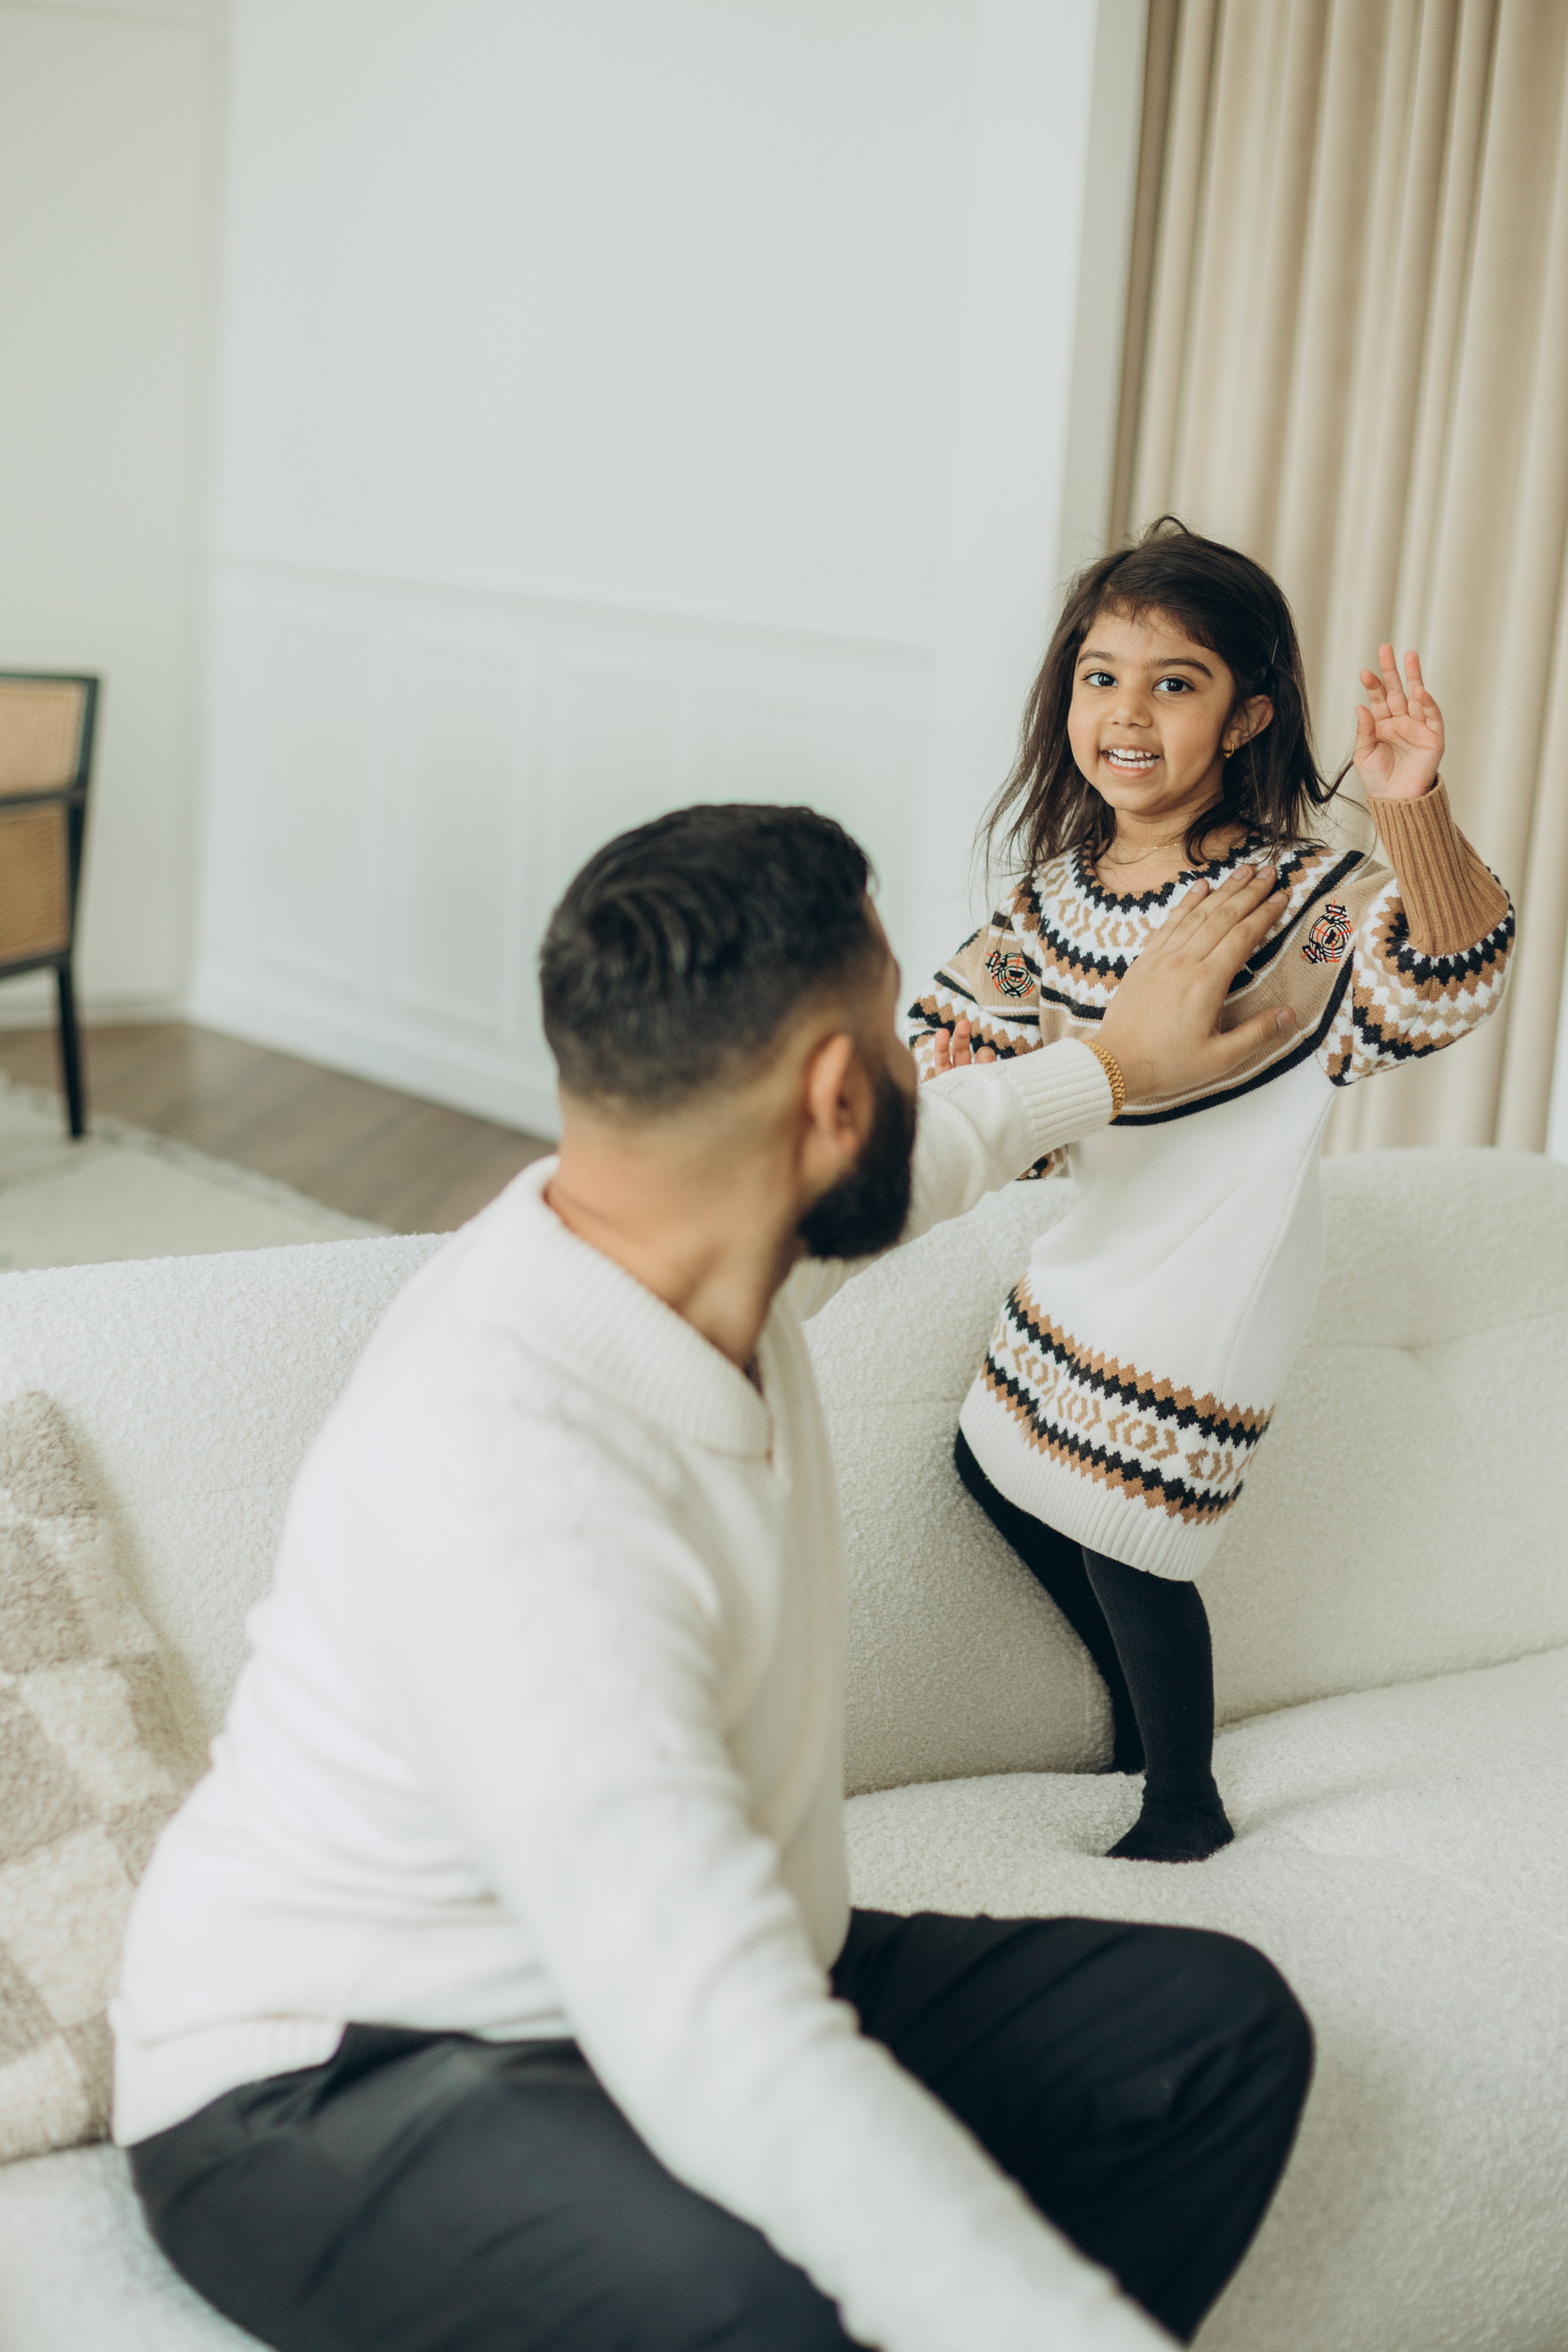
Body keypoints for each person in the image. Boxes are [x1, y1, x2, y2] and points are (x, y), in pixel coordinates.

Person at [113, 802, 1314, 2352]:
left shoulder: (687, 1240)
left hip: (627, 1980)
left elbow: (933, 1154)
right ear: (831, 1097)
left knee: (1206, 2038)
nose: (920, 1065)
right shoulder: (516, 1490)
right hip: (333, 2073)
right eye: (897, 1033)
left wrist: (1111, 1067)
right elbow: (718, 2033)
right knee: (756, 2310)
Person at [910, 519, 1514, 1867]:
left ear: (1246, 716)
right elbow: (961, 1034)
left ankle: (1181, 1796)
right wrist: (966, 1075)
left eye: (1173, 683)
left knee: (1129, 1527)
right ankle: (1134, 1723)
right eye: (1100, 677)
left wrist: (1410, 810)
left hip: (1213, 1265)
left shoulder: (1299, 896)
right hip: (1095, 1248)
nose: (1126, 713)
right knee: (988, 1463)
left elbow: (1444, 979)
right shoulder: (1051, 899)